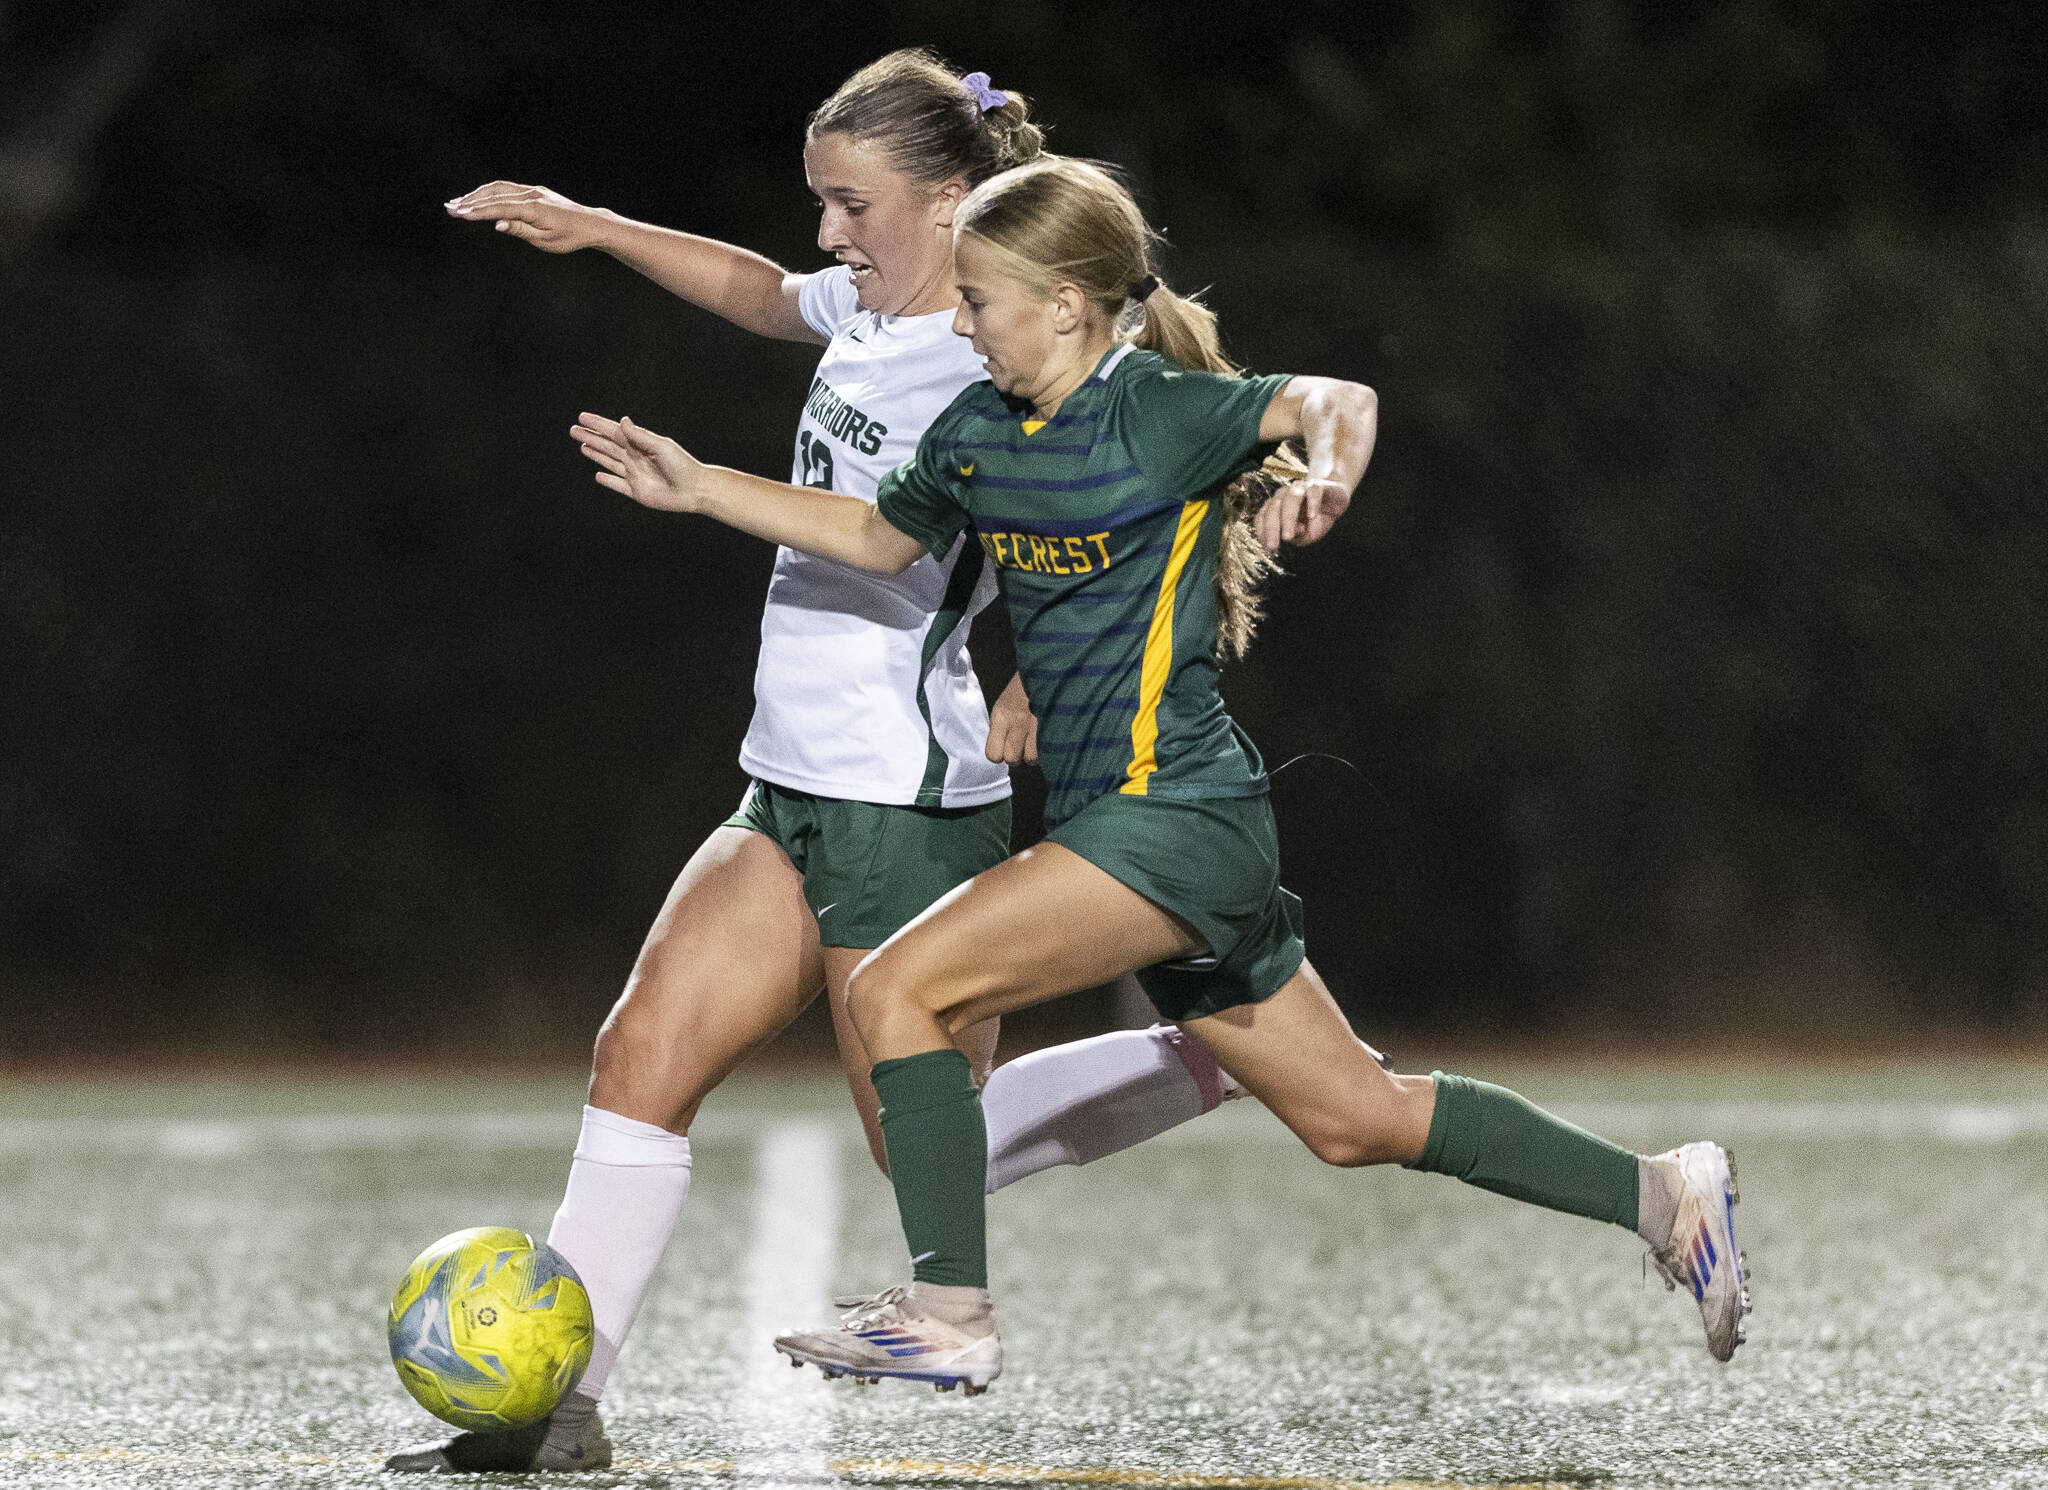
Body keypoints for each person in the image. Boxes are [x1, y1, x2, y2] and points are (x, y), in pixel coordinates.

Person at [569, 156, 1751, 1399]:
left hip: (1173, 819)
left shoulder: (1155, 410)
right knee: (1358, 1119)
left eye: (979, 300)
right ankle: (1666, 1191)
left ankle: (947, 1312)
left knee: (895, 991)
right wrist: (697, 486)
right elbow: (873, 536)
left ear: (1068, 305)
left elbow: (1333, 395)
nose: (960, 323)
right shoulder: (977, 428)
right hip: (1131, 828)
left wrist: (1331, 472)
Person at [390, 58, 1253, 1475]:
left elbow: (1100, 492)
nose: (830, 235)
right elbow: (752, 291)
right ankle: (554, 1414)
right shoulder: (868, 305)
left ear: (954, 201)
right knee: (639, 1058)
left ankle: (1209, 1056)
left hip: (904, 800)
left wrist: (1044, 655)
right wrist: (596, 223)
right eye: (821, 205)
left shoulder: (996, 358)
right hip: (786, 780)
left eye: (853, 206)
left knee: (931, 1147)